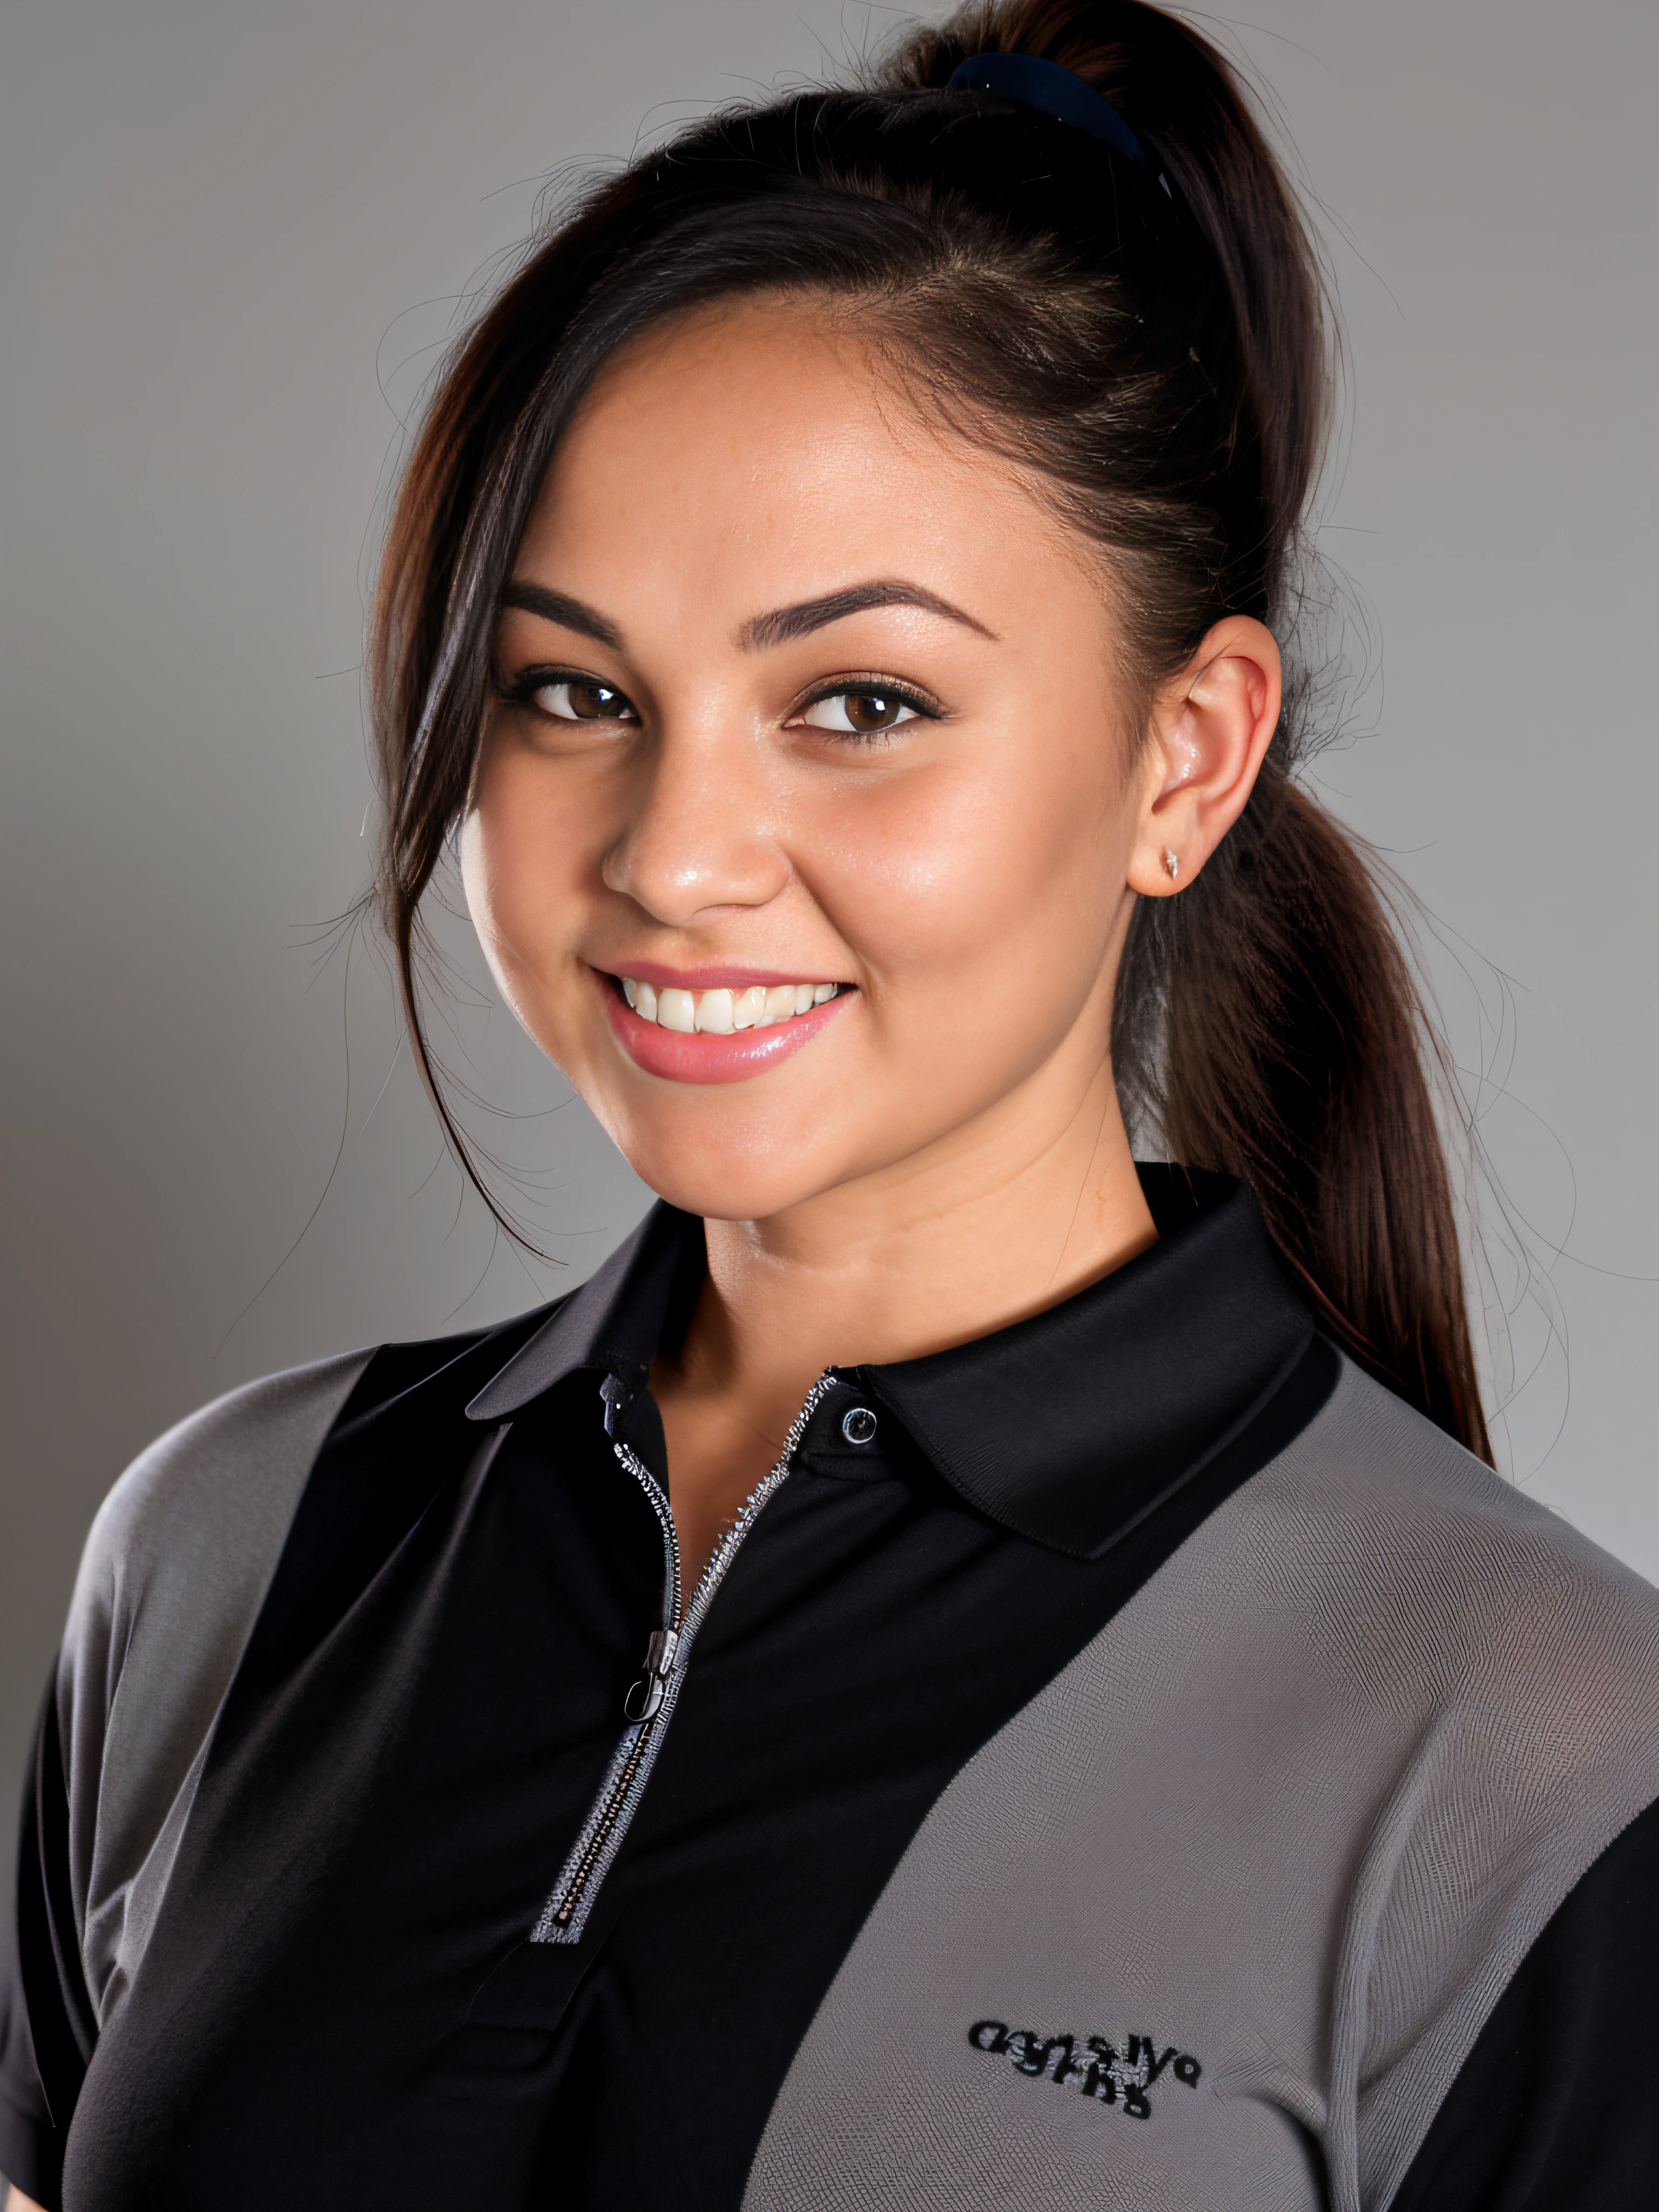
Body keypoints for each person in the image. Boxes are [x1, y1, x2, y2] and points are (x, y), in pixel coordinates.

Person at [5, 2, 1657, 2206]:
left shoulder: (1533, 1749)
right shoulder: (224, 1550)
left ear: (1187, 757)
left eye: (859, 702)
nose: (675, 853)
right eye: (573, 689)